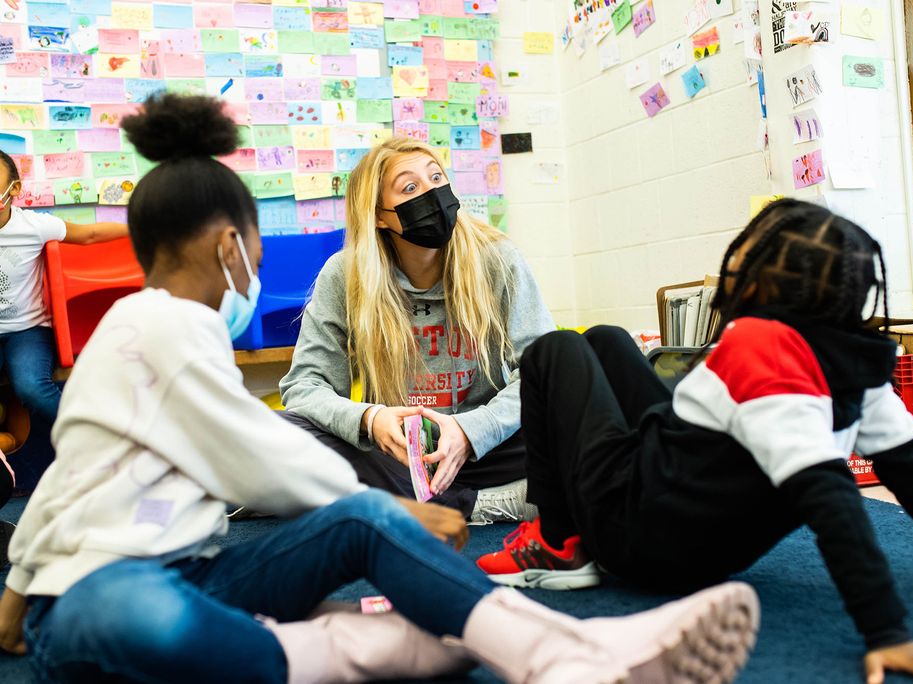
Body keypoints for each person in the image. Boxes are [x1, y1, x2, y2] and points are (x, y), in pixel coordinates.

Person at [0, 94, 761, 684]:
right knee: (138, 606)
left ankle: (553, 649)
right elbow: (262, 445)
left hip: (201, 568)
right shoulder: (169, 327)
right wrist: (387, 472)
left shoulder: (135, 335)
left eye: (439, 178)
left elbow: (68, 476)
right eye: (258, 245)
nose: (258, 265)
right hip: (117, 595)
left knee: (351, 524)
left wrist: (17, 587)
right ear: (232, 244)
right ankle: (364, 647)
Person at [477, 199, 913, 684]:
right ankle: (570, 528)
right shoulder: (857, 361)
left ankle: (556, 543)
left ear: (761, 284)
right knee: (608, 340)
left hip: (637, 534)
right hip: (692, 528)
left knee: (554, 351)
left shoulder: (757, 348)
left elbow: (834, 503)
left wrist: (889, 633)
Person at [280, 138, 555, 524]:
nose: (432, 194)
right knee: (282, 432)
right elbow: (304, 386)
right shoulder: (345, 274)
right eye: (410, 188)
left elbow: (542, 373)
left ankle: (397, 506)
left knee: (570, 415)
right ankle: (476, 506)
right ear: (379, 215)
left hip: (486, 447)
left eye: (437, 178)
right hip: (393, 456)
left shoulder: (498, 259)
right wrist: (369, 420)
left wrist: (469, 430)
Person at [0, 152, 128, 425]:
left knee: (32, 388)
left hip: (28, 330)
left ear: (15, 189)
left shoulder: (34, 226)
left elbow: (89, 235)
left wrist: (141, 228)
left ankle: (102, 432)